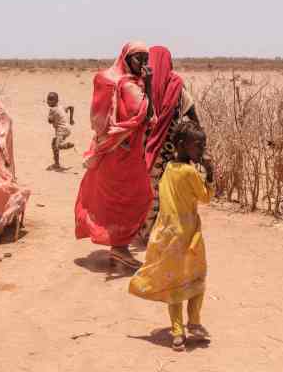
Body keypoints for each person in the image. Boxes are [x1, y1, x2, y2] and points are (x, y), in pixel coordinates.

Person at [129, 120, 214, 352]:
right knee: (197, 278)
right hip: (187, 235)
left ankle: (177, 333)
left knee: (174, 283)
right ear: (182, 145)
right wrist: (211, 172)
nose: (202, 150)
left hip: (167, 233)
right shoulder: (189, 172)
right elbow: (205, 197)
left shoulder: (169, 168)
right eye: (198, 146)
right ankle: (194, 322)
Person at [74, 42, 155, 269]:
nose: (143, 64)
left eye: (145, 59)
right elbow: (145, 116)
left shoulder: (132, 83)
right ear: (126, 59)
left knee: (134, 198)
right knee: (132, 199)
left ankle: (119, 247)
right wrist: (148, 87)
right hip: (120, 154)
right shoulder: (127, 86)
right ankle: (120, 248)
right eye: (138, 58)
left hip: (128, 154)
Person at [138, 46, 199, 245]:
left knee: (148, 190)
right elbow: (193, 117)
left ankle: (146, 232)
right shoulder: (177, 87)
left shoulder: (141, 85)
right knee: (167, 191)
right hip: (170, 150)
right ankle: (162, 232)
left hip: (144, 149)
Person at [46, 92, 75, 170]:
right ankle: (56, 163)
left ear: (56, 101)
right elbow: (71, 107)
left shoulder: (52, 109)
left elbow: (50, 121)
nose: (48, 101)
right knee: (53, 144)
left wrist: (50, 119)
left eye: (51, 100)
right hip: (67, 128)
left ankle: (66, 145)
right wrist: (71, 119)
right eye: (48, 99)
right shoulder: (61, 107)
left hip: (61, 130)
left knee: (58, 145)